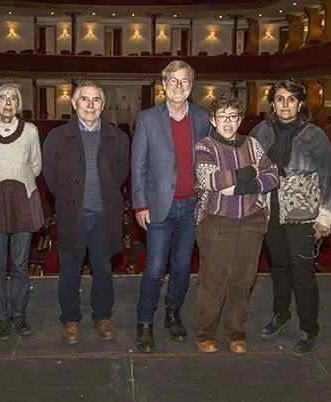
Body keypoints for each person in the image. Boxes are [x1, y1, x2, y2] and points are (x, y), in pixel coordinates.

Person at [131, 60, 213, 352]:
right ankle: (144, 322)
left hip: (192, 206)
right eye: (173, 81)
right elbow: (138, 165)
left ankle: (172, 312)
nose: (179, 86)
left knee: (181, 266)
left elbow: (213, 158)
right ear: (163, 85)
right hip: (158, 207)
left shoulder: (204, 117)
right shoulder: (147, 119)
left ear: (191, 86)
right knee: (154, 268)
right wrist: (140, 204)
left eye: (185, 81)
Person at [42, 81, 129, 345]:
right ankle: (70, 319)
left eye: (96, 100)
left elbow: (121, 174)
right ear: (74, 103)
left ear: (103, 105)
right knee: (69, 271)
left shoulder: (119, 138)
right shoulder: (57, 137)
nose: (90, 105)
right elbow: (50, 176)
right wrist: (71, 200)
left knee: (103, 270)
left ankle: (102, 316)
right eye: (85, 100)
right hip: (73, 215)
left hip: (105, 217)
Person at [252, 80, 331, 356]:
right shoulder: (261, 132)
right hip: (269, 210)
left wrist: (324, 217)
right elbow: (249, 168)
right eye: (279, 98)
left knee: (303, 273)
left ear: (300, 104)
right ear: (272, 103)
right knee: (279, 268)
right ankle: (281, 314)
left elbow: (327, 176)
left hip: (302, 214)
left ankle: (309, 327)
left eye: (291, 99)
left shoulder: (314, 135)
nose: (285, 104)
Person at [194, 93, 278, 354]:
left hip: (252, 221)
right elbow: (211, 181)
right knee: (213, 280)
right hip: (217, 221)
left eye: (233, 117)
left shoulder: (252, 144)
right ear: (213, 119)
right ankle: (205, 333)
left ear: (239, 119)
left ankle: (235, 332)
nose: (228, 122)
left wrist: (247, 184)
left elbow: (273, 174)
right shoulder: (204, 146)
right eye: (222, 117)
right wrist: (251, 172)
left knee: (242, 281)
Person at [0, 84, 43, 340]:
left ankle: (19, 314)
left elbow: (36, 167)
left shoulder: (31, 132)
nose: (8, 102)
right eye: (3, 98)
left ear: (19, 104)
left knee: (22, 266)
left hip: (23, 201)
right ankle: (0, 317)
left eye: (14, 98)